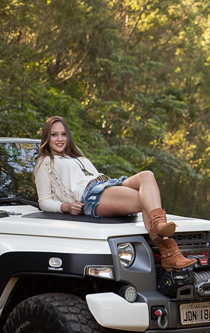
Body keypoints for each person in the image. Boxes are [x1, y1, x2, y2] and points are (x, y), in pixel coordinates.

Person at [33, 115, 197, 270]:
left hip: (106, 183)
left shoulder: (76, 158)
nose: (60, 139)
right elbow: (44, 201)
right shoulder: (45, 161)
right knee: (146, 201)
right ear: (47, 137)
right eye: (54, 135)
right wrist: (66, 207)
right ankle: (169, 250)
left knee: (147, 176)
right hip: (91, 196)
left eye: (63, 134)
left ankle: (161, 231)